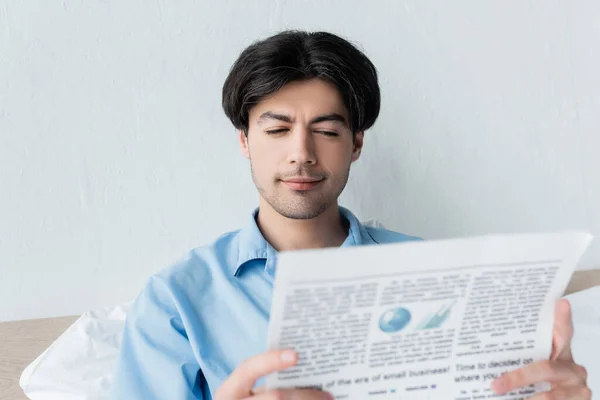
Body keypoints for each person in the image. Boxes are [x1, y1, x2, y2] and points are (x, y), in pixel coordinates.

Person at [111, 30, 590, 400]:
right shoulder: (175, 301)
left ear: (357, 143)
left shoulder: (434, 272)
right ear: (244, 141)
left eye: (327, 130)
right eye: (277, 130)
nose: (301, 154)